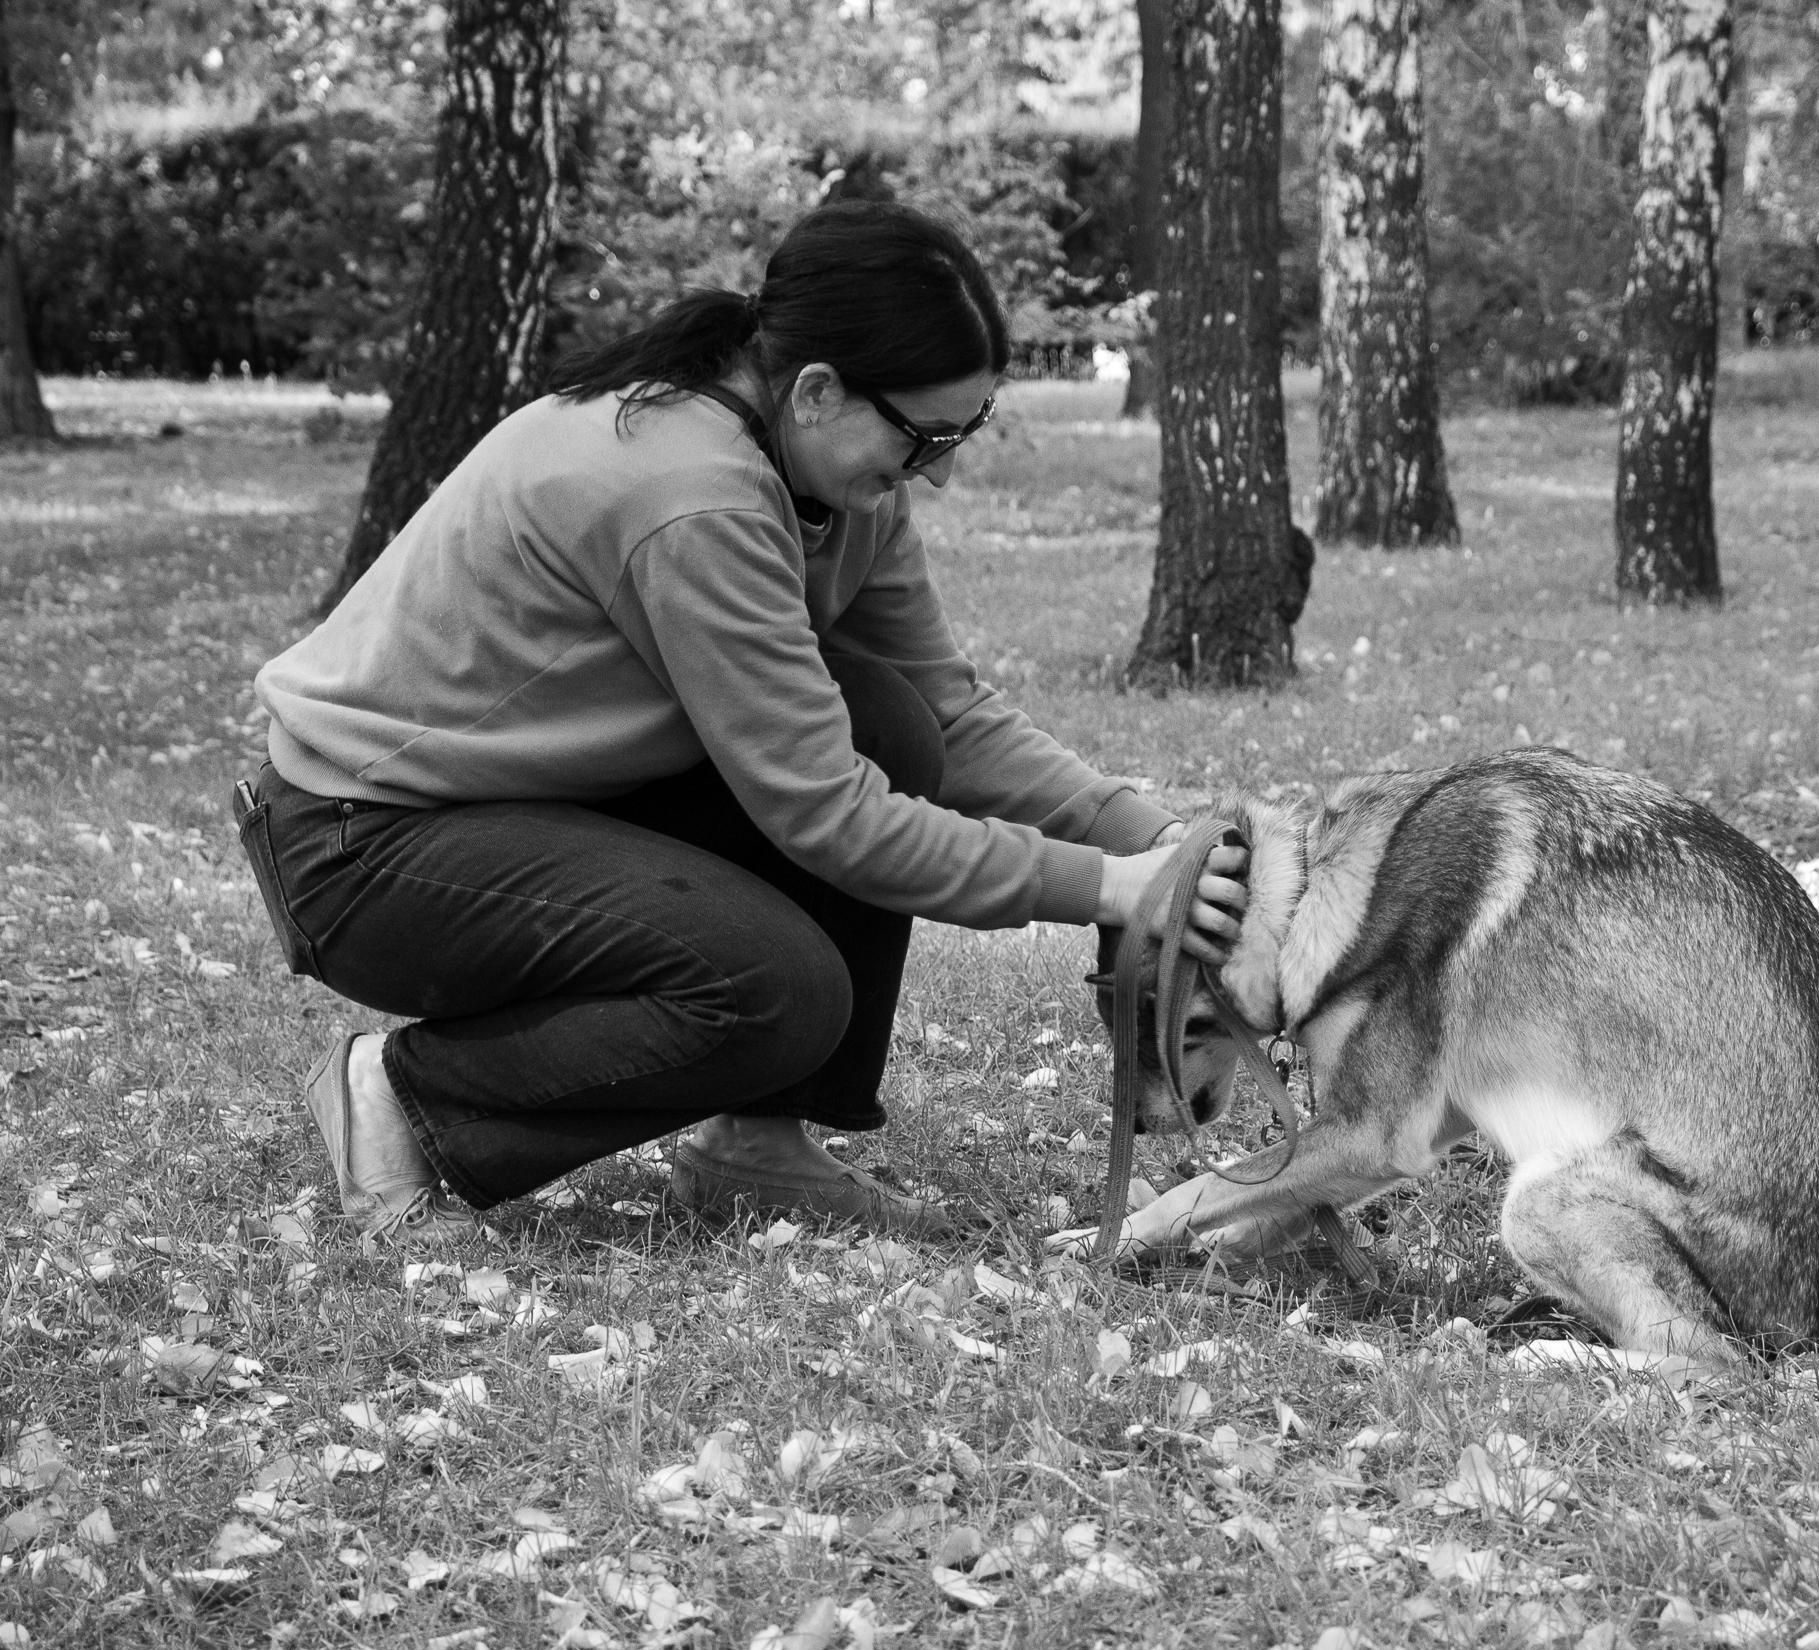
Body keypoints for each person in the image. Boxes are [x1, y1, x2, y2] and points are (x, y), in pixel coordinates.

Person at [235, 198, 1244, 1245]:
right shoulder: (695, 493)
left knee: (886, 719)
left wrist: (1151, 837)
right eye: (927, 435)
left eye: (965, 430)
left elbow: (945, 708)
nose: (939, 468)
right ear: (815, 389)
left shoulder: (836, 479)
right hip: (358, 845)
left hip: (511, 805)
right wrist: (1108, 886)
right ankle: (402, 1103)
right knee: (772, 989)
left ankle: (755, 1148)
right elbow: (831, 817)